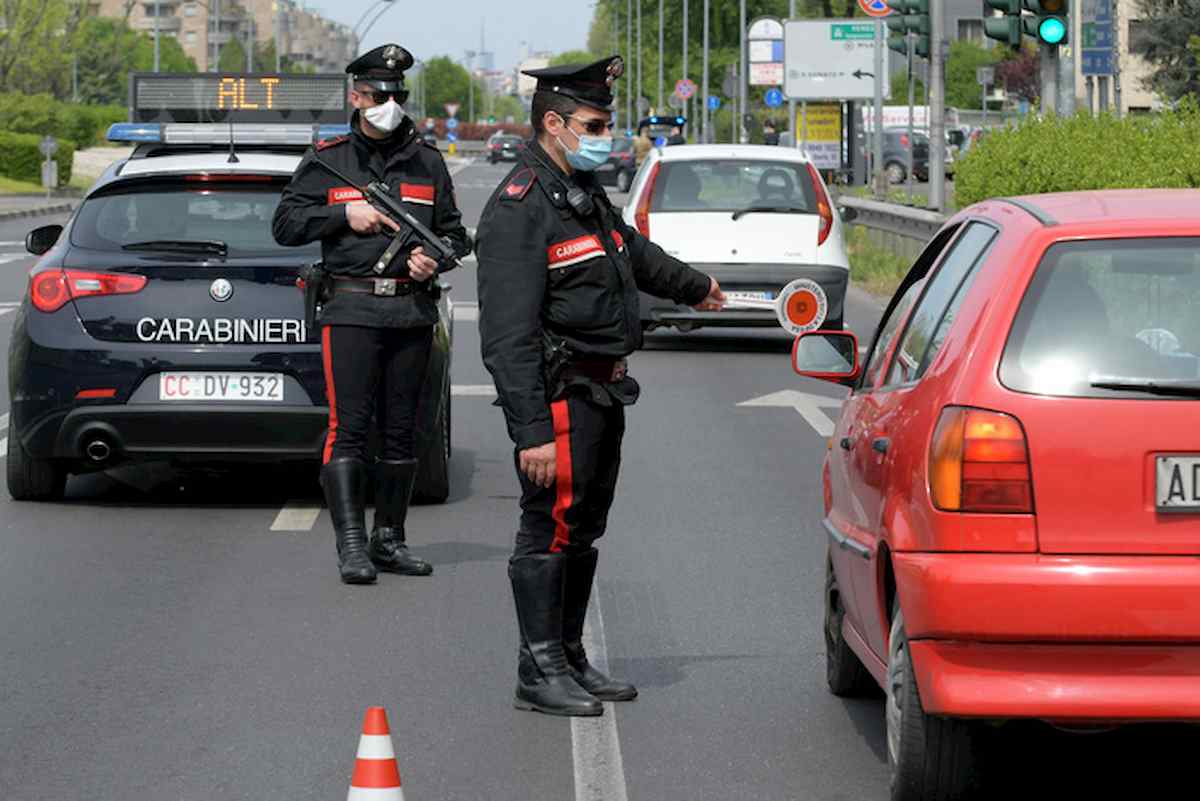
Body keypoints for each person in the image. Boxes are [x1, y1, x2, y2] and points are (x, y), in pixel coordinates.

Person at [475, 55, 726, 717]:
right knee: (549, 525)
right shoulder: (520, 207)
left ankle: (569, 655)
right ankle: (539, 668)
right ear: (553, 123)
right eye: (594, 122)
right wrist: (529, 430)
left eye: (608, 122)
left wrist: (695, 286)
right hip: (560, 393)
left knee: (583, 526)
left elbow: (632, 252)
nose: (606, 134)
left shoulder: (581, 196)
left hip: (604, 391)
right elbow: (506, 336)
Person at [272, 43, 471, 585]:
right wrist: (343, 214)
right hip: (352, 307)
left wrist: (438, 256)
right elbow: (286, 225)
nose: (390, 103)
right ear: (356, 97)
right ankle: (352, 545)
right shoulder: (328, 158)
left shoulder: (426, 161)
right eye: (379, 94)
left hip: (410, 309)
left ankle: (391, 538)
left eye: (397, 95)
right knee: (350, 428)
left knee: (403, 430)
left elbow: (455, 232)